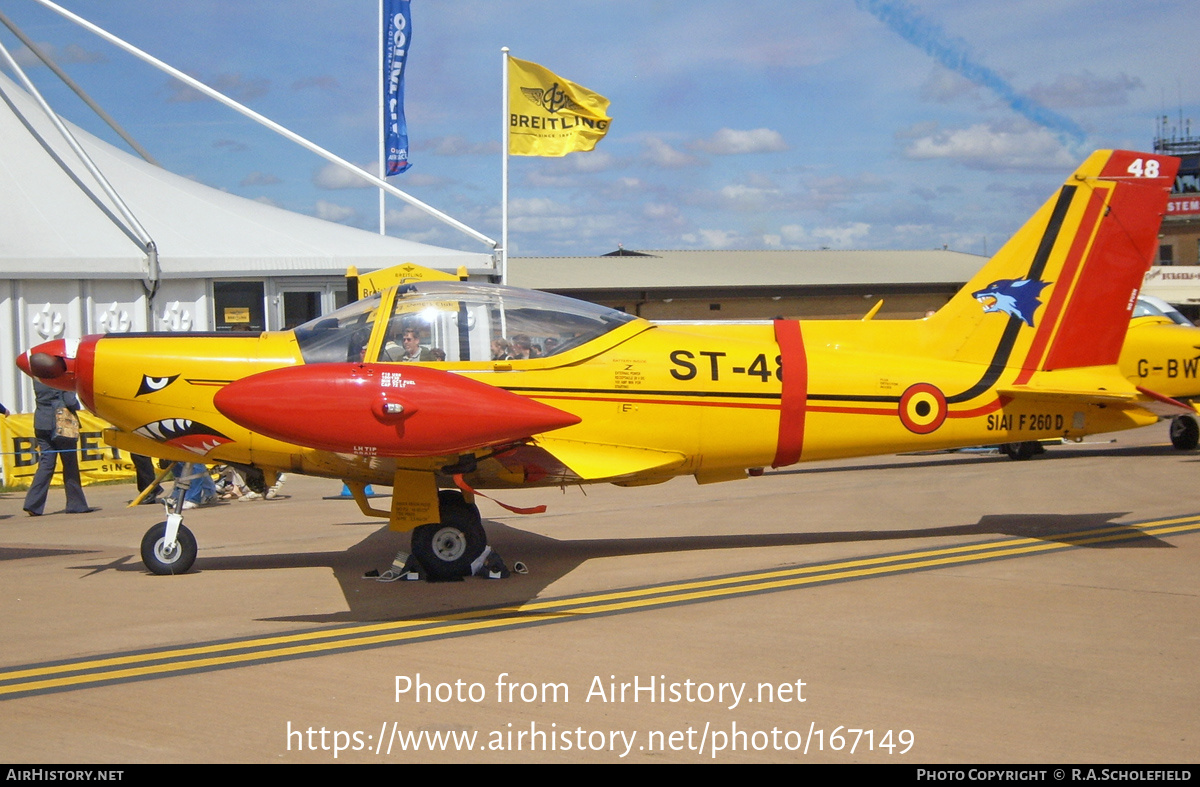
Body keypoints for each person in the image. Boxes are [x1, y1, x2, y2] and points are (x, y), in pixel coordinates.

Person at [23, 380, 91, 516]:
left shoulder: (37, 377)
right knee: (70, 463)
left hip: (42, 420)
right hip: (61, 422)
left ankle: (33, 504)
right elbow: (70, 401)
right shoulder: (58, 376)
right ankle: (76, 504)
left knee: (46, 463)